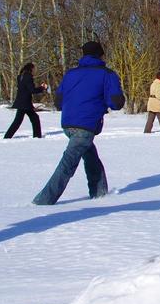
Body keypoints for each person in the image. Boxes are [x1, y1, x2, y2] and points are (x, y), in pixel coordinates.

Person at [32, 41, 124, 205]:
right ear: (100, 55)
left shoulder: (70, 74)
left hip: (68, 124)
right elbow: (116, 102)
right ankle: (43, 201)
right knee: (68, 164)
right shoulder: (106, 74)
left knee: (90, 156)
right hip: (86, 125)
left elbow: (58, 101)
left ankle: (99, 194)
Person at [4, 62, 47, 139]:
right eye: (34, 68)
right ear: (31, 68)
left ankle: (8, 136)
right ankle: (37, 136)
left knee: (29, 119)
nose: (35, 70)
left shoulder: (20, 76)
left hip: (21, 101)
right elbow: (32, 90)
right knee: (29, 119)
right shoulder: (28, 76)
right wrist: (42, 88)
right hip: (25, 102)